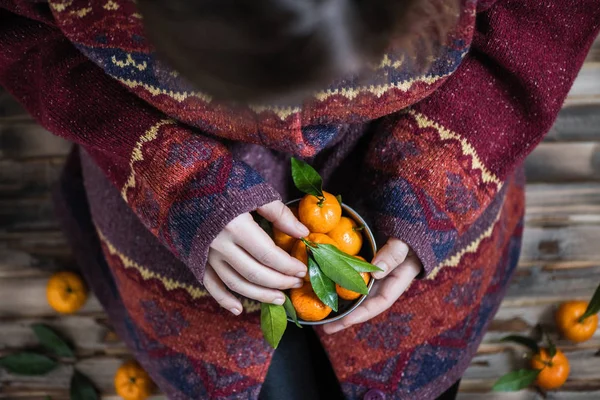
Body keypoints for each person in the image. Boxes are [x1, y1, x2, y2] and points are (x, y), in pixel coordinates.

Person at [0, 0, 598, 399]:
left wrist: (435, 184)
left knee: (411, 368)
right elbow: (22, 35)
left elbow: (546, 20)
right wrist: (173, 177)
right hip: (153, 134)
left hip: (433, 122)